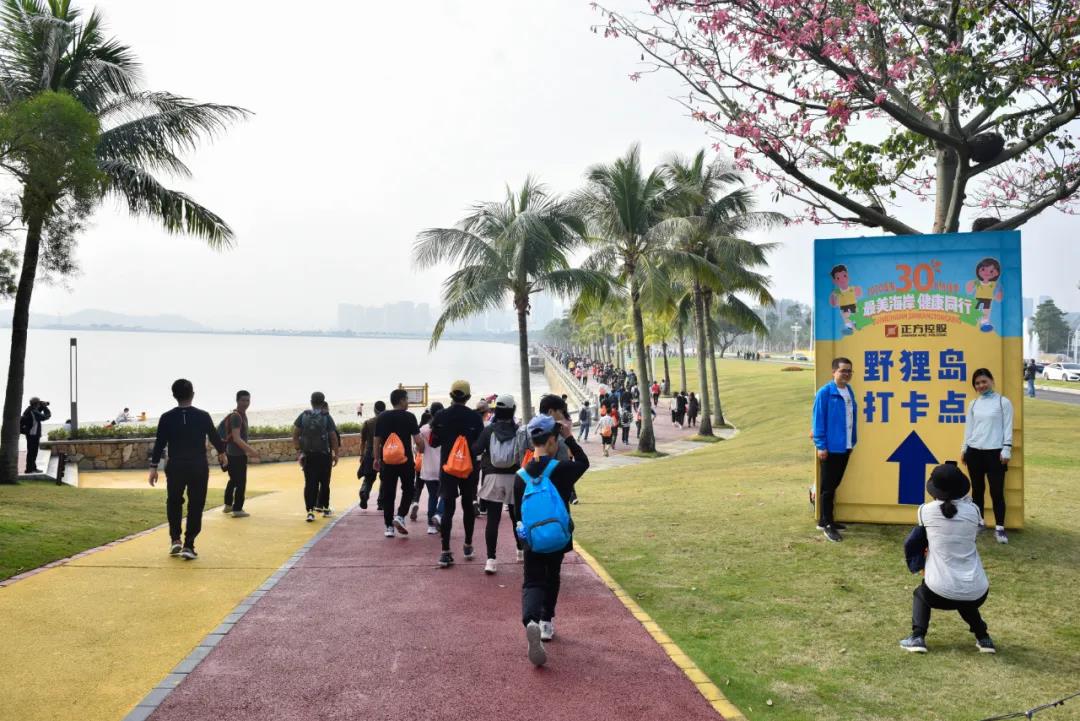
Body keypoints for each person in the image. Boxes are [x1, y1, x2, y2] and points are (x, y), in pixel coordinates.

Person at [515, 414, 590, 666]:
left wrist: (522, 542)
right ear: (551, 441)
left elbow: (517, 514)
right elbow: (584, 462)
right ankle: (547, 622)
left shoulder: (520, 476)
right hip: (557, 537)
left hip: (532, 539)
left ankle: (531, 621)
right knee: (553, 576)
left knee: (532, 582)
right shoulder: (561, 469)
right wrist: (570, 438)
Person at [900, 463, 995, 654]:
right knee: (964, 596)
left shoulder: (925, 511)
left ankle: (917, 636)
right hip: (978, 592)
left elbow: (917, 539)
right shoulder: (974, 511)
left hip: (938, 592)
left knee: (921, 594)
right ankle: (984, 638)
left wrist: (917, 564)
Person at [148, 379, 227, 560]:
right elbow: (215, 437)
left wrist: (153, 468)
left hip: (175, 466)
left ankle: (175, 539)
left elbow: (159, 444)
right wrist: (223, 453)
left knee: (174, 502)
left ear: (174, 395)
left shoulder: (166, 417)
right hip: (198, 466)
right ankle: (189, 545)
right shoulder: (203, 416)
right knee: (196, 505)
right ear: (193, 394)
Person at [429, 380, 484, 568]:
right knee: (468, 506)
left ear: (451, 395)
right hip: (469, 468)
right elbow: (479, 445)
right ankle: (468, 545)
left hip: (448, 468)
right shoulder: (475, 417)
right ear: (468, 397)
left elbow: (433, 442)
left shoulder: (441, 416)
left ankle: (445, 552)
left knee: (448, 509)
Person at [472, 394, 524, 574]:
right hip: (515, 479)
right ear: (513, 410)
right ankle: (520, 550)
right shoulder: (519, 431)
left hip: (493, 478)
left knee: (493, 521)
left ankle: (491, 560)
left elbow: (476, 450)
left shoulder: (488, 430)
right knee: (517, 518)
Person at [962, 368, 1014, 544]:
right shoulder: (973, 404)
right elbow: (969, 429)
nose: (981, 385)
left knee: (996, 491)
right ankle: (979, 522)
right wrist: (964, 449)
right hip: (974, 452)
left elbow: (1007, 427)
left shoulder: (1003, 402)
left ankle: (1000, 528)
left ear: (991, 381)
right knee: (977, 490)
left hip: (995, 453)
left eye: (984, 381)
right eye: (977, 383)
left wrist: (1006, 449)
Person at [811, 357, 857, 543]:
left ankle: (826, 519)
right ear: (833, 372)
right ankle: (827, 524)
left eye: (849, 371)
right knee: (828, 487)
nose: (846, 374)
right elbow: (818, 420)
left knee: (834, 484)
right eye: (843, 370)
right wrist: (821, 446)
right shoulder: (825, 393)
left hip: (845, 446)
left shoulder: (849, 391)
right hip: (830, 447)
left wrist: (851, 442)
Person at [373, 388, 424, 538]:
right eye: (406, 399)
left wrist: (376, 458)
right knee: (409, 489)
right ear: (401, 400)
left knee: (388, 493)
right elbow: (418, 440)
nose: (408, 402)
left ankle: (389, 527)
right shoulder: (409, 417)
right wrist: (422, 449)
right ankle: (400, 515)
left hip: (387, 461)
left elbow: (376, 440)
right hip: (405, 460)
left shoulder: (382, 417)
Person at [292, 392, 340, 523]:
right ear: (323, 402)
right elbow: (333, 437)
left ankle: (310, 511)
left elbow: (295, 434)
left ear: (311, 402)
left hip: (308, 455)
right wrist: (336, 454)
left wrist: (299, 451)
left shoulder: (304, 415)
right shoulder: (326, 416)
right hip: (324, 455)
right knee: (324, 482)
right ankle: (325, 509)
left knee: (309, 483)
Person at [221, 390, 260, 518]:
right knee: (241, 482)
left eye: (247, 400)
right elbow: (237, 438)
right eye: (243, 400)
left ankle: (228, 505)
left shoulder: (240, 415)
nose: (245, 403)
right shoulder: (237, 416)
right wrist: (252, 451)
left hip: (232, 453)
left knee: (233, 480)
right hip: (236, 455)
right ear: (237, 401)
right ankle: (237, 509)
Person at [417, 403, 444, 534]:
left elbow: (419, 449)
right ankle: (439, 514)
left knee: (432, 496)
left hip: (428, 469)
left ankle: (431, 526)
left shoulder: (423, 429)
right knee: (446, 495)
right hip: (443, 468)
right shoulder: (446, 428)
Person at [357, 400, 386, 510]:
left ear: (374, 410)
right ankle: (381, 503)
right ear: (385, 410)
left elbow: (362, 441)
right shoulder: (387, 422)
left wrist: (361, 455)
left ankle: (364, 492)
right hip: (384, 453)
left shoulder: (367, 423)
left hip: (370, 453)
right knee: (384, 478)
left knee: (369, 477)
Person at [19, 397, 51, 473]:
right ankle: (29, 469)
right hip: (33, 434)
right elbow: (46, 416)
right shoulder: (33, 411)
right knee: (32, 452)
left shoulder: (29, 410)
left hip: (30, 434)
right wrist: (45, 407)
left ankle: (32, 468)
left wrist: (42, 406)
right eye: (39, 403)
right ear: (36, 404)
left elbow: (36, 413)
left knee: (32, 452)